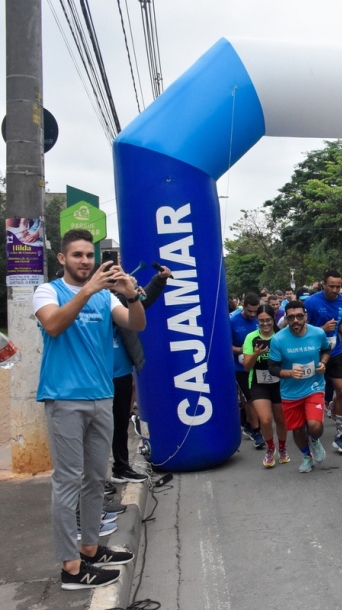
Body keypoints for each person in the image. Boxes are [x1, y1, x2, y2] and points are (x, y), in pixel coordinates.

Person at [34, 229, 146, 590]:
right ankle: (70, 567)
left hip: (101, 398)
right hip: (64, 399)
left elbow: (136, 324)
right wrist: (88, 290)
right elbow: (53, 325)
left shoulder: (105, 299)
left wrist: (131, 297)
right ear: (63, 259)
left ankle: (91, 548)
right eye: (78, 255)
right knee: (67, 482)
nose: (85, 261)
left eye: (89, 256)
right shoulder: (48, 291)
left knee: (96, 479)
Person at [109, 260, 171, 485]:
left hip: (122, 371)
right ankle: (94, 479)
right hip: (96, 374)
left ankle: (121, 467)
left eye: (119, 275)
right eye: (112, 276)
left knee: (120, 421)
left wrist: (158, 280)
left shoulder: (120, 299)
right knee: (96, 428)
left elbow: (141, 305)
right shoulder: (94, 301)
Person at [267, 300, 331, 473]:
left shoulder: (318, 333)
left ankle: (315, 440)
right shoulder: (278, 339)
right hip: (290, 392)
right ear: (286, 319)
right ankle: (306, 457)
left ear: (305, 317)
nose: (295, 320)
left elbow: (326, 350)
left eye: (299, 316)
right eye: (291, 317)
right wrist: (289, 373)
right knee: (296, 429)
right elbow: (272, 367)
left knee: (314, 425)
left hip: (314, 387)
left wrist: (323, 363)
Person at [305, 269, 342, 454]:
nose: (335, 290)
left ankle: (339, 435)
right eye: (331, 286)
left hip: (334, 352)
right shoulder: (311, 302)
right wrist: (322, 329)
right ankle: (311, 430)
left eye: (338, 286)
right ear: (324, 284)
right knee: (312, 392)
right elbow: (302, 329)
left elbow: (340, 324)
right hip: (313, 354)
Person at [243, 304, 288, 468]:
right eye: (261, 321)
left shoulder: (281, 336)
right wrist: (256, 354)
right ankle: (270, 448)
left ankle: (282, 448)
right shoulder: (251, 338)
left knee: (281, 419)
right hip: (258, 383)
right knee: (266, 420)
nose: (265, 324)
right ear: (257, 320)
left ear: (273, 318)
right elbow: (247, 366)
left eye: (268, 320)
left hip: (279, 383)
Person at [232, 293, 266, 448]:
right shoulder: (232, 320)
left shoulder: (261, 318)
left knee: (262, 398)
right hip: (240, 367)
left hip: (261, 364)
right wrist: (244, 350)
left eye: (255, 311)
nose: (253, 315)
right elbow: (226, 344)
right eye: (250, 311)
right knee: (251, 398)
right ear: (243, 306)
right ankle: (256, 431)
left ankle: (245, 422)